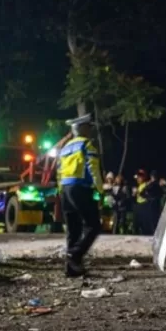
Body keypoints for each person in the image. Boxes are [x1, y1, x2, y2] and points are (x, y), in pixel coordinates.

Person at [57, 114, 104, 277]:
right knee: (94, 225)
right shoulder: (87, 145)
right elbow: (93, 169)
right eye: (89, 127)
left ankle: (71, 269)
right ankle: (75, 254)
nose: (90, 130)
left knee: (73, 229)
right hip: (80, 188)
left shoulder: (65, 147)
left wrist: (60, 190)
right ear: (83, 128)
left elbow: (59, 172)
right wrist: (100, 190)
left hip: (65, 189)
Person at [133, 169, 151, 235]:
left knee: (144, 224)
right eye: (137, 177)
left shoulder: (146, 185)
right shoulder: (139, 186)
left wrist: (139, 193)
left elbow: (146, 195)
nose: (138, 178)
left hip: (144, 205)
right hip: (138, 205)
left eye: (140, 177)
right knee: (136, 223)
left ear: (144, 177)